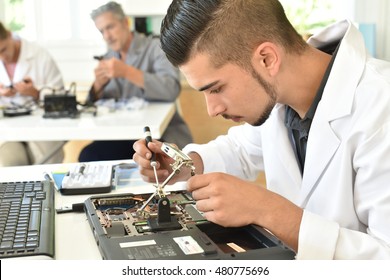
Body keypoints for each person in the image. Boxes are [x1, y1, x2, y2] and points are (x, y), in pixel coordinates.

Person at [132, 0, 390, 259]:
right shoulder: (277, 98)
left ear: (267, 59)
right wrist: (185, 164)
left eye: (216, 88)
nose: (212, 109)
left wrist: (267, 210)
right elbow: (241, 149)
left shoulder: (381, 106)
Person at [79, 1, 192, 162]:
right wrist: (98, 85)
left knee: (151, 160)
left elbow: (171, 89)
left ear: (126, 22)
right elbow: (95, 106)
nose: (107, 36)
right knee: (88, 156)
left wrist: (126, 71)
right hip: (121, 134)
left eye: (110, 27)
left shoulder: (156, 47)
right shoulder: (108, 56)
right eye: (101, 31)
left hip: (158, 136)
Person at [0, 21, 65, 166]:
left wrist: (36, 92)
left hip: (41, 127)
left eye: (3, 49)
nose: (2, 57)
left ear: (10, 35)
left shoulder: (39, 55)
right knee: (10, 163)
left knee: (46, 163)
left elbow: (61, 97)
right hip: (7, 132)